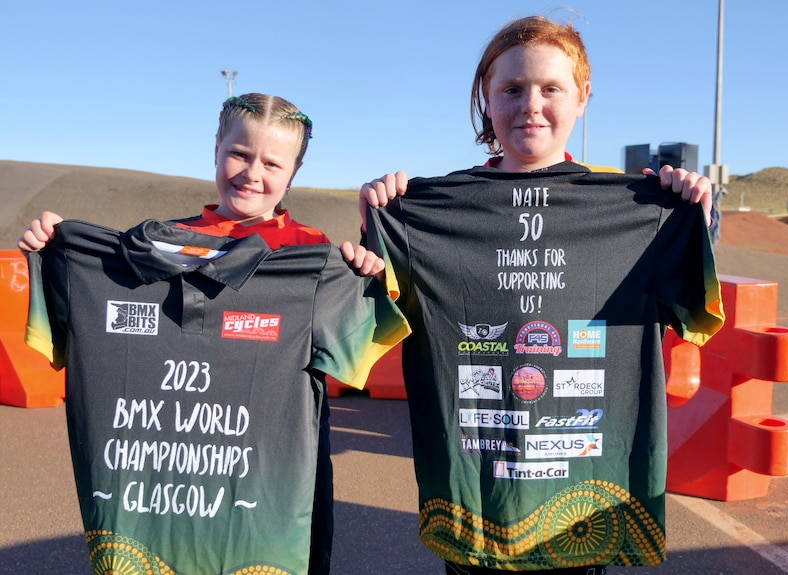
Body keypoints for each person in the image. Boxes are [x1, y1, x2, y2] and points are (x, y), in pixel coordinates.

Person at [359, 16, 724, 575]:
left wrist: (697, 215)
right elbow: (373, 316)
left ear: (583, 97)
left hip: (582, 500)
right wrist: (378, 228)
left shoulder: (641, 211)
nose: (531, 104)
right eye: (511, 89)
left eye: (551, 88)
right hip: (477, 500)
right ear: (486, 97)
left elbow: (689, 301)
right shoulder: (425, 212)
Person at [19, 93, 409, 575]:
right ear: (217, 150)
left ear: (294, 171)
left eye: (272, 162)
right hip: (166, 450)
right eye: (240, 154)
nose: (252, 173)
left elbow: (355, 353)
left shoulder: (314, 255)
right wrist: (56, 251)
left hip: (275, 455)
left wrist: (362, 272)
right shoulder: (161, 241)